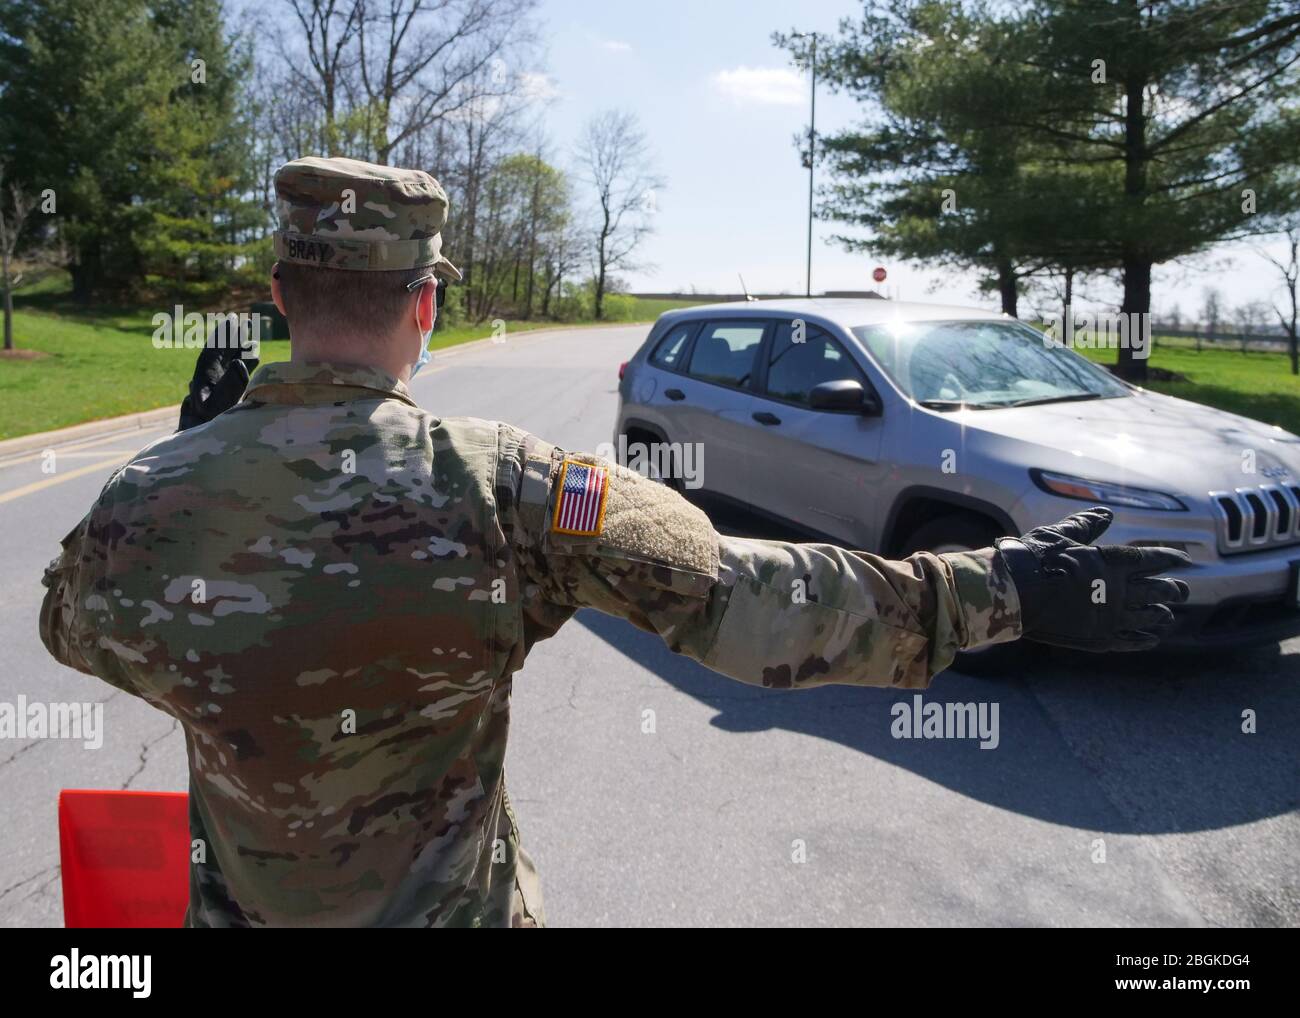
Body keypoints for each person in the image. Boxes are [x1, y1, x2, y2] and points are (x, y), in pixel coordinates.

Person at [39, 156, 1190, 928]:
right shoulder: (510, 484)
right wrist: (999, 593)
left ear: (282, 298)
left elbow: (69, 621)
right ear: (426, 305)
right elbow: (744, 599)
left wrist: (182, 469)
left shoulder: (148, 500)